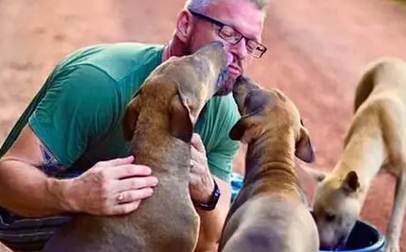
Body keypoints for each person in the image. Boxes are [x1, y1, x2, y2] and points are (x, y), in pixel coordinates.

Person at [0, 0, 269, 251]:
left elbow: (209, 241)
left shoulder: (224, 113)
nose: (240, 53)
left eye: (252, 44)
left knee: (250, 205)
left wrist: (207, 192)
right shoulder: (99, 82)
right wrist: (75, 194)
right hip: (40, 206)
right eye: (229, 34)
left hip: (133, 218)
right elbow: (5, 186)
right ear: (186, 24)